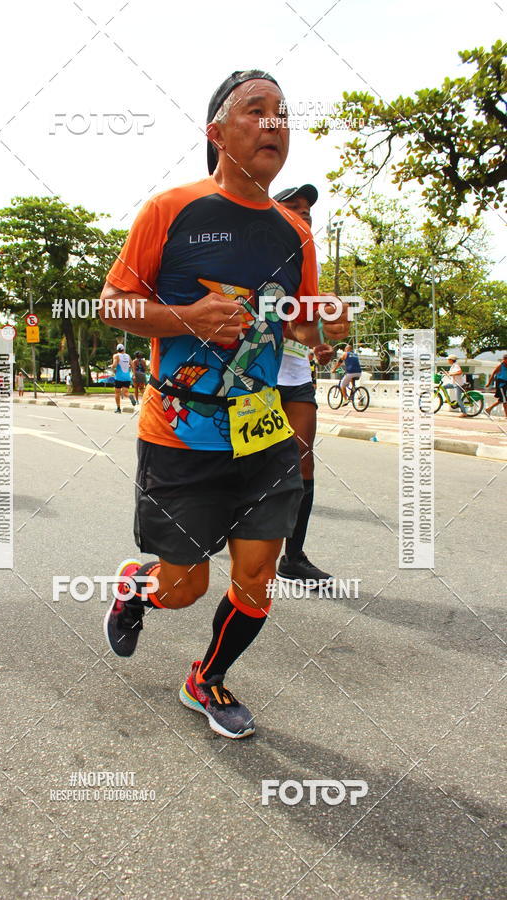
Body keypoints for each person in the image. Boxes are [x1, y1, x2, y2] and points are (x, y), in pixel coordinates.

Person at [99, 70, 349, 739]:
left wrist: (322, 329)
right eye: (255, 111)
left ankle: (205, 678)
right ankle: (141, 583)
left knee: (257, 576)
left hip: (262, 429)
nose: (273, 124)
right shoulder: (172, 209)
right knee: (186, 588)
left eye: (282, 114)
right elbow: (112, 305)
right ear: (217, 133)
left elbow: (293, 324)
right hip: (181, 434)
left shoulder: (296, 231)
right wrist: (187, 318)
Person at [274, 184, 334, 586]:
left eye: (308, 211)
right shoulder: (258, 258)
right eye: (293, 208)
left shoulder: (308, 265)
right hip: (253, 376)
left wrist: (319, 347)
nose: (303, 215)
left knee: (303, 463)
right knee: (241, 462)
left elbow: (304, 325)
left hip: (295, 378)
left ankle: (292, 557)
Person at [112, 343, 136, 412]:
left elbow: (114, 365)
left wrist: (112, 368)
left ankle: (118, 408)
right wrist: (133, 374)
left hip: (119, 377)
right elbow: (132, 365)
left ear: (117, 350)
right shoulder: (128, 356)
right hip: (127, 377)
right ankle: (129, 396)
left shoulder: (116, 356)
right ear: (123, 349)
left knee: (117, 393)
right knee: (125, 393)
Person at [484, 353, 507, 417]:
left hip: (506, 384)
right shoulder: (500, 366)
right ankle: (506, 416)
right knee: (504, 400)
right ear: (504, 359)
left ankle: (488, 409)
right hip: (501, 384)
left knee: (502, 400)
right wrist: (488, 383)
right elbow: (493, 373)